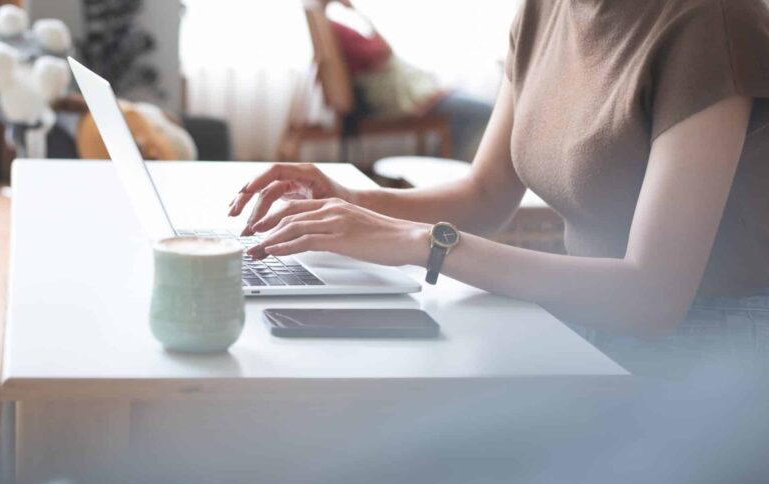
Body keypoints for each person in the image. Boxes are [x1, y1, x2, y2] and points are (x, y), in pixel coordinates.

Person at [232, 0, 769, 375]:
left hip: (710, 347)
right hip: (585, 317)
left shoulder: (713, 19)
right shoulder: (545, 9)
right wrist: (352, 204)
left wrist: (422, 242)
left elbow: (653, 298)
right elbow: (485, 195)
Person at [315, 0, 495, 162]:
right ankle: (441, 166)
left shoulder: (327, 28)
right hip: (400, 97)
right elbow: (383, 51)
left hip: (405, 91)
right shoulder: (336, 30)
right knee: (483, 110)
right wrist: (354, 10)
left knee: (469, 106)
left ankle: (438, 163)